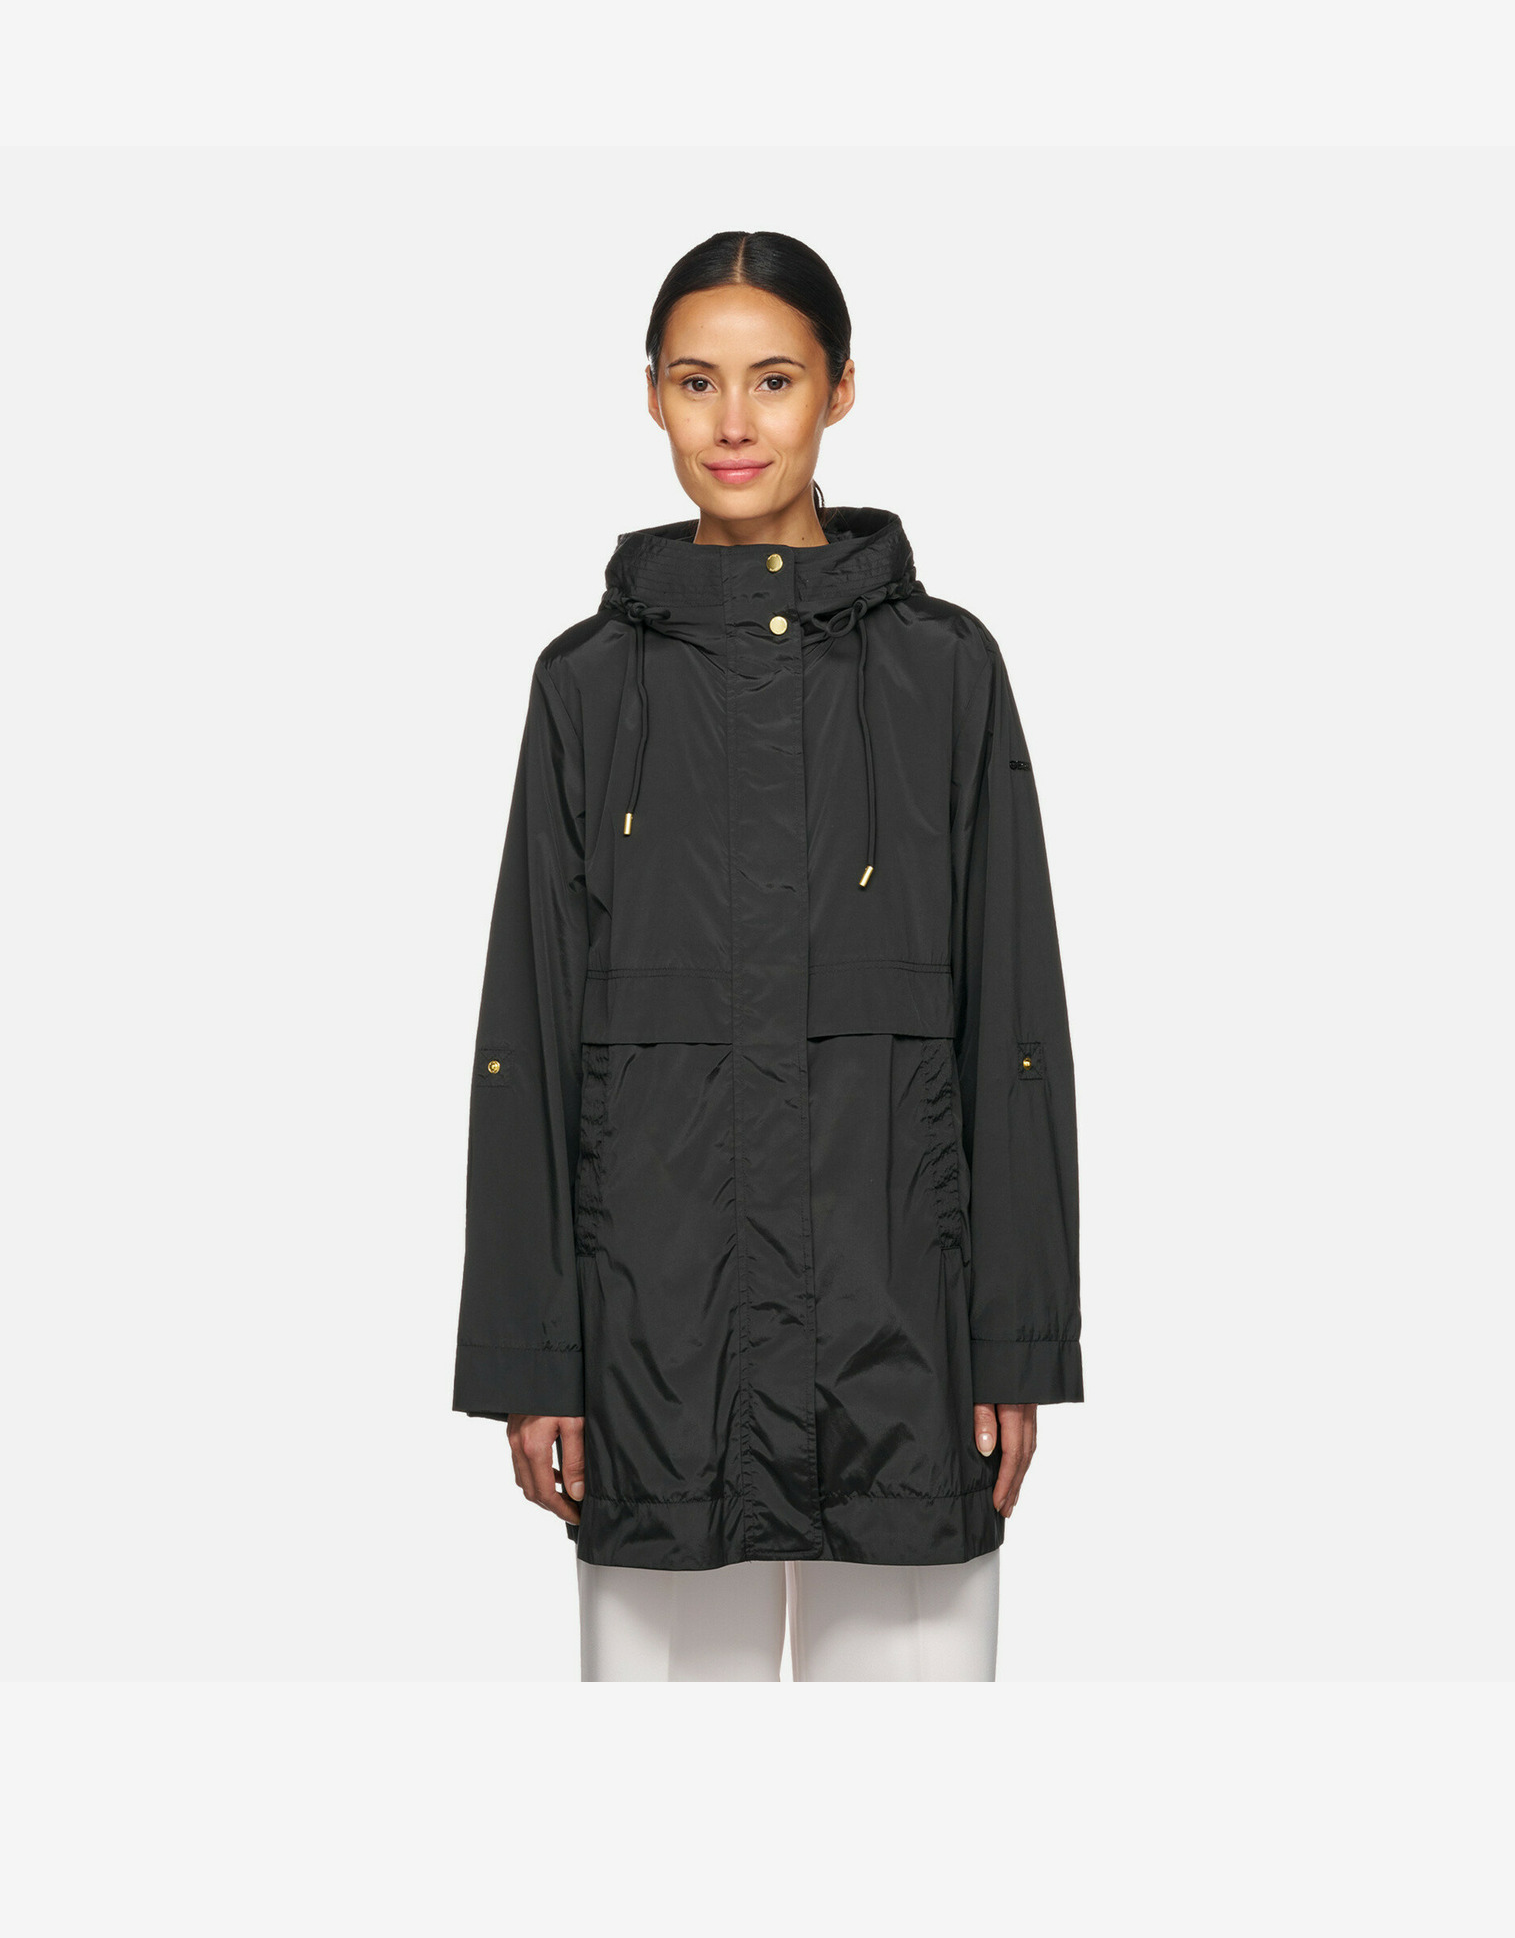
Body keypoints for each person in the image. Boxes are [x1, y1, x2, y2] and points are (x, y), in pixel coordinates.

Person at [452, 230, 1082, 1682]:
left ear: (841, 390)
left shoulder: (945, 672)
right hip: (655, 1358)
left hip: (902, 1349)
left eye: (775, 379)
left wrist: (1016, 1343)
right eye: (697, 382)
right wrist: (535, 1360)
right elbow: (527, 1031)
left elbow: (1013, 1019)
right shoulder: (587, 687)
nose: (733, 423)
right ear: (652, 397)